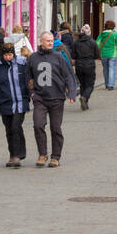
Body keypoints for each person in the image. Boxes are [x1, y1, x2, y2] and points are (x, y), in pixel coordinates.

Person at [28, 31, 77, 167]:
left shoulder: (59, 57)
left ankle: (55, 157)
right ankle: (42, 154)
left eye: (51, 41)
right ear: (41, 42)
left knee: (55, 128)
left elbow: (69, 75)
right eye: (47, 41)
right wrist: (32, 93)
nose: (50, 43)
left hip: (57, 98)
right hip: (40, 99)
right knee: (38, 125)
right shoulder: (33, 58)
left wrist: (72, 93)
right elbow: (27, 78)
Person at [0, 41, 30, 167]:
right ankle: (13, 155)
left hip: (21, 102)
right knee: (9, 130)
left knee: (16, 127)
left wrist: (32, 94)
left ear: (13, 54)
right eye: (6, 55)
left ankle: (17, 156)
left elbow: (29, 79)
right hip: (5, 103)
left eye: (10, 55)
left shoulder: (22, 64)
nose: (8, 57)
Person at [71, 24, 100, 110]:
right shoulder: (92, 42)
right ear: (89, 33)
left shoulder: (76, 42)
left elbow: (73, 55)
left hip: (79, 65)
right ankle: (84, 97)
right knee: (90, 84)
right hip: (89, 65)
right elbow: (97, 55)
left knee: (82, 84)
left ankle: (84, 103)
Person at [96, 20, 117, 90]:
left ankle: (106, 84)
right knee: (112, 69)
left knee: (105, 69)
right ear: (113, 27)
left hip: (103, 54)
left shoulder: (102, 34)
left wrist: (99, 50)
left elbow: (97, 44)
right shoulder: (115, 34)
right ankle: (111, 85)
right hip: (113, 54)